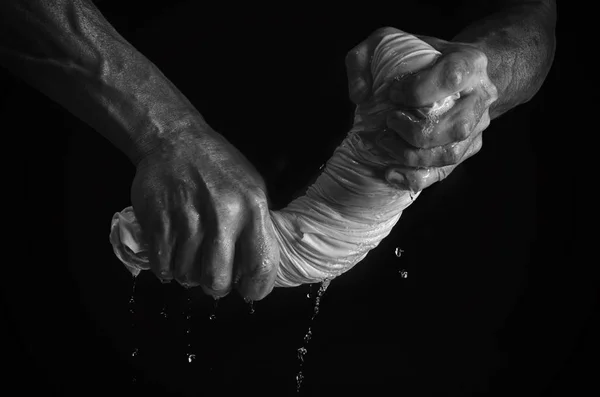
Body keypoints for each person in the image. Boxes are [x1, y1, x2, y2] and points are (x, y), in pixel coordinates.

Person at [0, 0, 556, 302]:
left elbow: (538, 17)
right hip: (65, 196)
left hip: (399, 291)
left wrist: (480, 76)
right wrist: (166, 131)